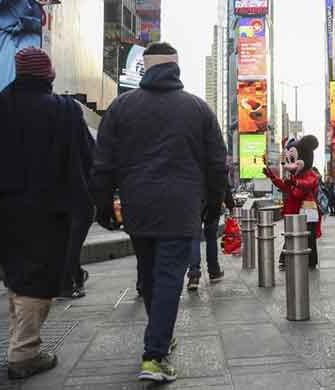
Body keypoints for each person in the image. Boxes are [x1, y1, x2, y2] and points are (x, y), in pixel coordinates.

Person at [91, 42, 227, 382]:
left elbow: (103, 163)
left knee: (150, 275)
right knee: (168, 278)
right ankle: (154, 355)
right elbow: (215, 164)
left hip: (138, 206)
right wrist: (214, 204)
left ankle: (160, 335)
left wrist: (103, 204)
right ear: (176, 67)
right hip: (182, 206)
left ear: (146, 68)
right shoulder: (198, 109)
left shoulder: (121, 107)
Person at [0, 48, 93, 379]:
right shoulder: (65, 110)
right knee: (41, 275)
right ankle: (24, 354)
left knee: (17, 267)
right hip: (52, 205)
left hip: (4, 206)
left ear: (18, 73)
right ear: (48, 74)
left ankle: (18, 344)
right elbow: (89, 159)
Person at [265, 136, 321, 269]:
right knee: (294, 234)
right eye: (289, 160)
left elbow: (308, 184)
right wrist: (273, 177)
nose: (289, 164)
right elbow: (285, 186)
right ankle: (287, 259)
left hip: (309, 211)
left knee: (309, 237)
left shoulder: (310, 174)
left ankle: (310, 261)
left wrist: (295, 182)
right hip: (297, 210)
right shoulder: (295, 176)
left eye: (293, 159)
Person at [186, 172, 232, 291]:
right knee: (211, 236)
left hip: (193, 198)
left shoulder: (190, 153)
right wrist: (229, 201)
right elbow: (221, 173)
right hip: (213, 198)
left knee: (194, 237)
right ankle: (214, 271)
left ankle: (194, 276)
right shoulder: (213, 154)